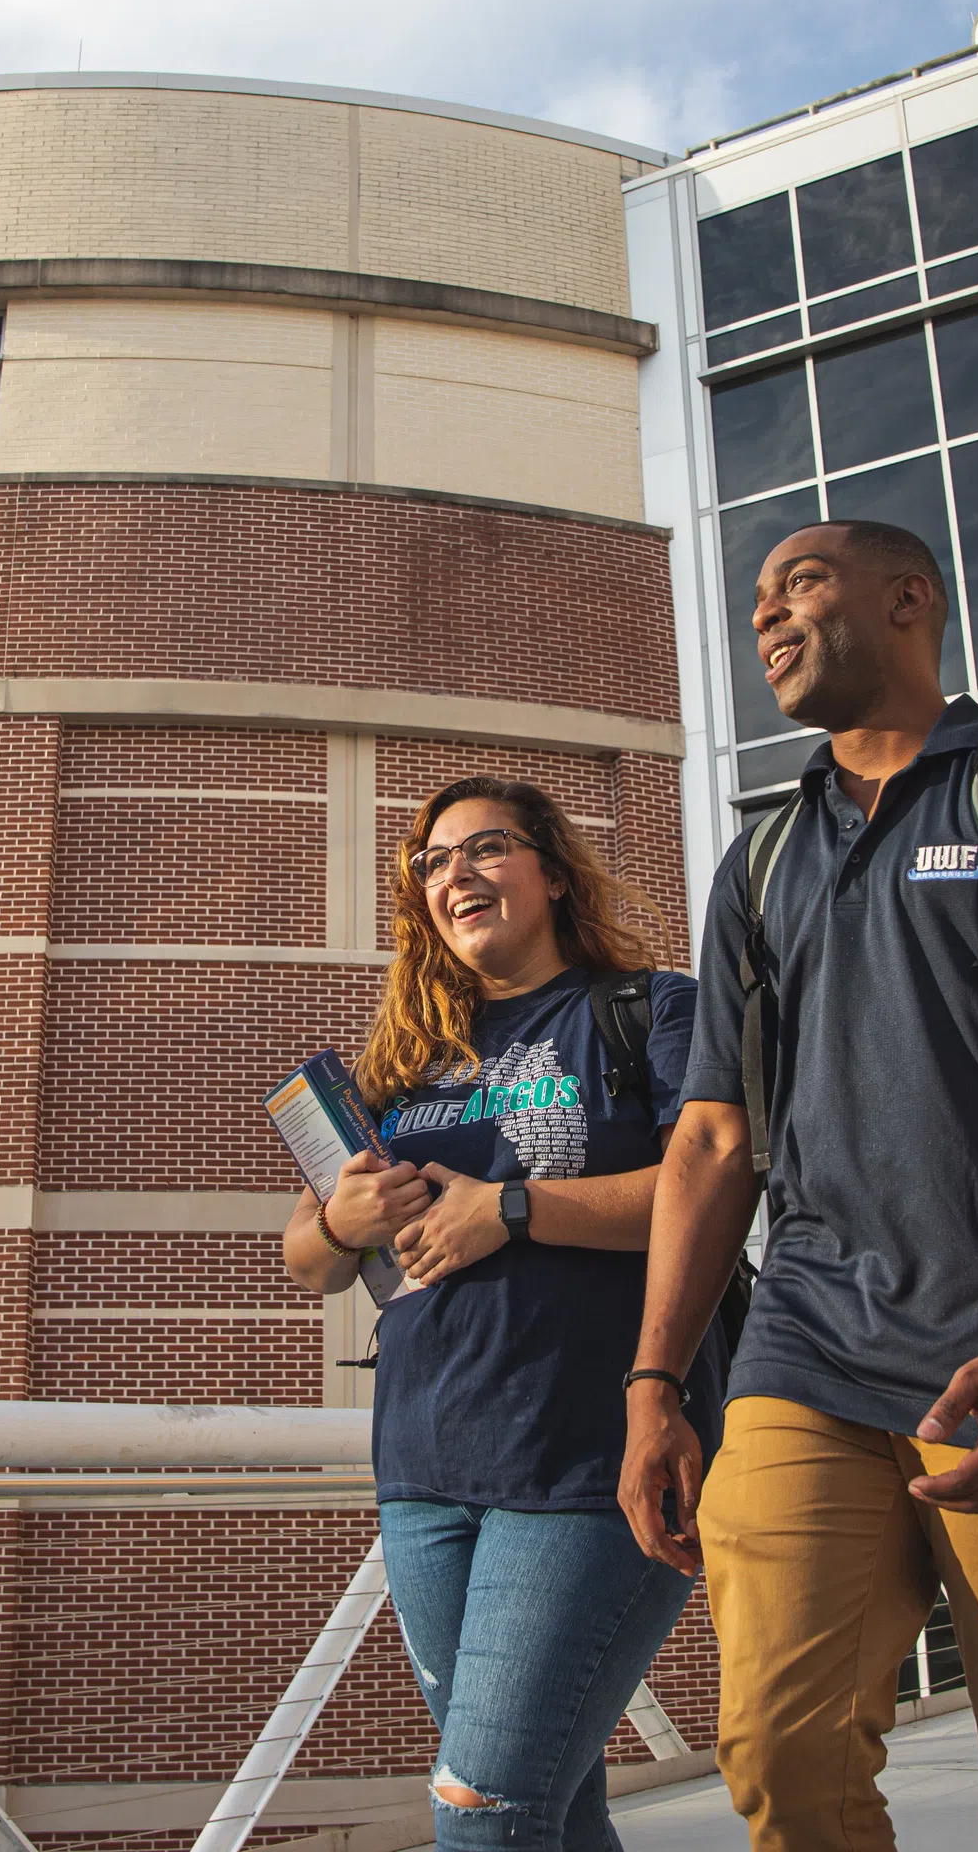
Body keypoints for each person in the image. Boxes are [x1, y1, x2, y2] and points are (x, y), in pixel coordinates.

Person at [615, 520, 978, 1852]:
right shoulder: (761, 861)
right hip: (811, 1343)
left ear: (909, 599)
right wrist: (656, 1384)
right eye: (757, 598)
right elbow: (713, 1139)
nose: (767, 615)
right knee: (778, 1741)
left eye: (802, 584)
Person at [281, 774, 721, 1852]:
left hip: (585, 1459)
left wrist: (511, 1209)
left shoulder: (650, 1008)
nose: (455, 873)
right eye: (432, 861)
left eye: (485, 847)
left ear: (555, 873)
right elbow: (306, 1261)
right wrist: (343, 1219)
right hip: (425, 1473)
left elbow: (710, 1189)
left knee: (483, 1812)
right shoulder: (403, 1062)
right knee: (556, 1812)